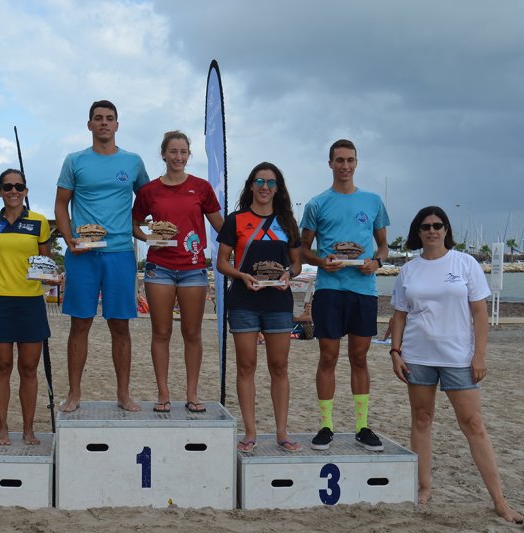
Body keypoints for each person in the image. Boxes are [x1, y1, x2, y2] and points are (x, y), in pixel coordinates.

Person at [390, 206, 523, 523]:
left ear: (446, 229)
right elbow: (400, 314)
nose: (432, 230)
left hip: (459, 358)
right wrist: (395, 351)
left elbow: (480, 313)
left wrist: (480, 355)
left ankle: (500, 500)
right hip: (418, 357)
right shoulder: (409, 270)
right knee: (422, 420)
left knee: (473, 425)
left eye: (438, 225)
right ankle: (424, 489)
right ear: (418, 231)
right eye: (425, 226)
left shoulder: (465, 263)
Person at [55, 99, 150, 412]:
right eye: (98, 118)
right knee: (79, 324)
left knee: (119, 326)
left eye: (110, 118)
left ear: (117, 125)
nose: (104, 123)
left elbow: (148, 201)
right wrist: (69, 239)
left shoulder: (133, 162)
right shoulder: (74, 160)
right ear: (89, 125)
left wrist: (140, 228)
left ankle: (124, 394)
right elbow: (61, 205)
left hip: (120, 252)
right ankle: (74, 394)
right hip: (83, 253)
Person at [300, 139, 389, 452]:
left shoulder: (373, 201)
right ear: (330, 164)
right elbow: (303, 249)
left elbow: (383, 246)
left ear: (357, 163)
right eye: (339, 160)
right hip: (330, 289)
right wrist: (321, 261)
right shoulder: (316, 204)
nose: (345, 166)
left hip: (363, 290)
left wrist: (376, 262)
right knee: (328, 356)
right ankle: (326, 426)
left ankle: (362, 426)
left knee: (360, 357)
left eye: (350, 160)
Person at [132, 131, 223, 413]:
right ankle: (163, 393)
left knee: (192, 333)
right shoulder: (149, 191)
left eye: (183, 152)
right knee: (161, 332)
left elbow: (222, 227)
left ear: (189, 155)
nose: (178, 157)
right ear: (163, 154)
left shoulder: (202, 187)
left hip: (193, 269)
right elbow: (134, 225)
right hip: (159, 268)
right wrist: (149, 239)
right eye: (173, 152)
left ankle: (192, 393)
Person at [216, 162, 303, 453]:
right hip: (244, 301)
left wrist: (288, 276)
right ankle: (250, 432)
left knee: (279, 367)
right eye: (260, 181)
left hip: (278, 301)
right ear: (251, 185)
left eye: (271, 182)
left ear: (278, 188)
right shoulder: (235, 220)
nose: (265, 187)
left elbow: (297, 263)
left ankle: (281, 432)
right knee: (246, 367)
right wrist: (241, 275)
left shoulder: (287, 221)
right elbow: (222, 262)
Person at [0, 169, 54, 446]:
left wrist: (54, 277)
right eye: (7, 186)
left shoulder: (39, 222)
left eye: (19, 186)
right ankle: (2, 429)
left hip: (30, 301)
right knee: (1, 367)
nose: (13, 191)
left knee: (28, 368)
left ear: (26, 190)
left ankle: (28, 429)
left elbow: (46, 265)